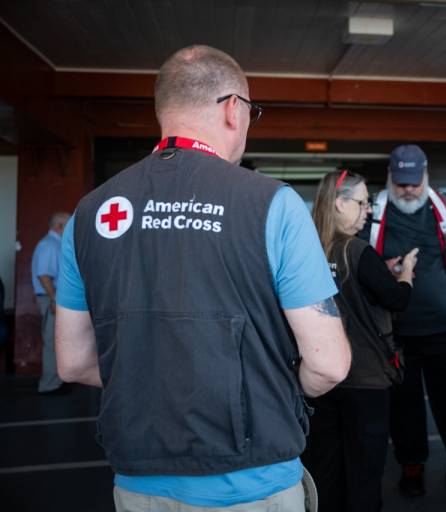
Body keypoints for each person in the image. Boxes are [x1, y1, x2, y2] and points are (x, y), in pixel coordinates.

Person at [54, 45, 351, 512]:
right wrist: (263, 387)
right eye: (253, 111)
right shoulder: (273, 204)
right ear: (234, 109)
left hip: (138, 481)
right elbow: (329, 363)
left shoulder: (90, 214)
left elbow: (72, 363)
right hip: (255, 482)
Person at [362, 144, 446, 497]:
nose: (407, 189)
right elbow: (357, 262)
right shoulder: (372, 212)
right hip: (395, 333)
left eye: (413, 181)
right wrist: (382, 271)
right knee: (404, 406)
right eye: (401, 182)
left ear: (425, 175)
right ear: (390, 177)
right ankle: (411, 466)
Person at [302, 170, 417, 512]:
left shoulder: (308, 250)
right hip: (365, 380)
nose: (368, 210)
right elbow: (396, 299)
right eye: (363, 202)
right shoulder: (359, 251)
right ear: (340, 203)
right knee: (364, 473)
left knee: (325, 468)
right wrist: (406, 274)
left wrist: (382, 270)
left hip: (319, 379)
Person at [32, 211, 70, 393]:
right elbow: (43, 275)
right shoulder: (49, 245)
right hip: (50, 298)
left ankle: (56, 381)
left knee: (56, 341)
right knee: (51, 341)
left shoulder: (54, 244)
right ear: (59, 226)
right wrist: (55, 299)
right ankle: (49, 384)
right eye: (69, 224)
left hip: (53, 297)